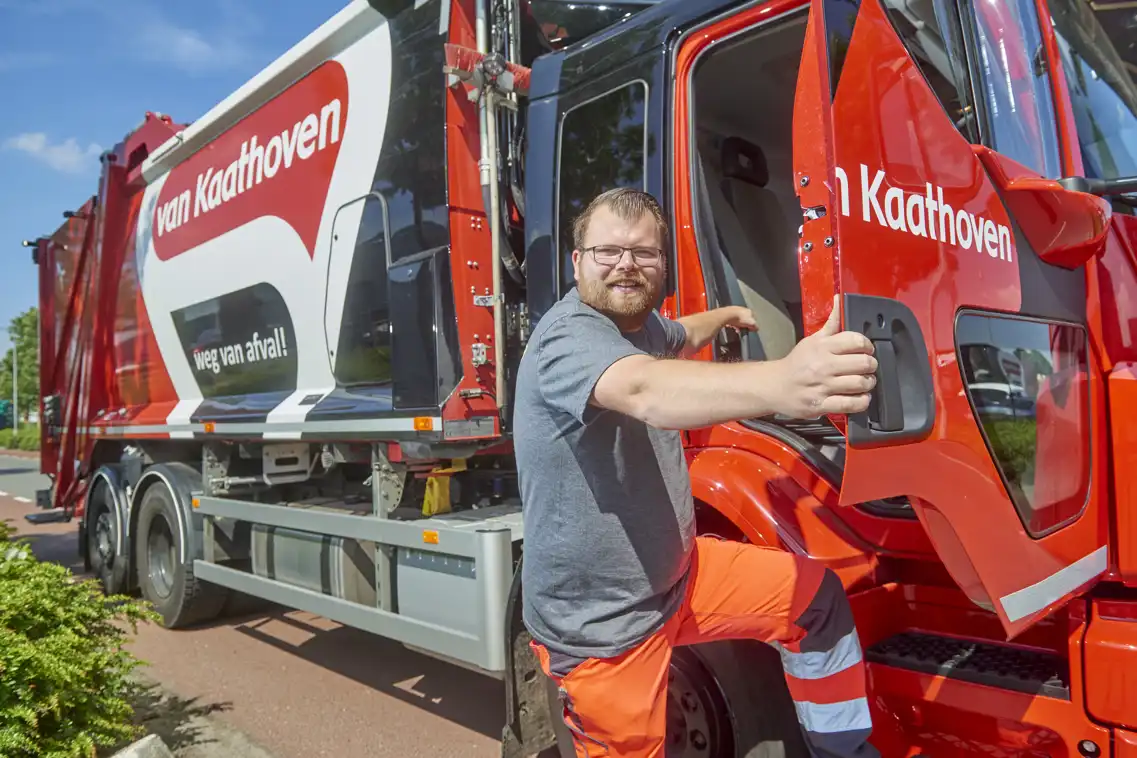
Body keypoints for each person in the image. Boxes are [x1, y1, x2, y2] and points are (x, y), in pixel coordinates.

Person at [512, 187, 882, 757]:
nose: (626, 265)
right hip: (606, 630)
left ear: (662, 264)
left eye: (644, 254)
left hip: (680, 581)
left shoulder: (640, 326)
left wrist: (733, 315)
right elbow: (643, 389)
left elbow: (681, 333)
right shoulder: (568, 336)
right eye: (608, 251)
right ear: (577, 260)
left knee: (817, 602)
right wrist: (785, 381)